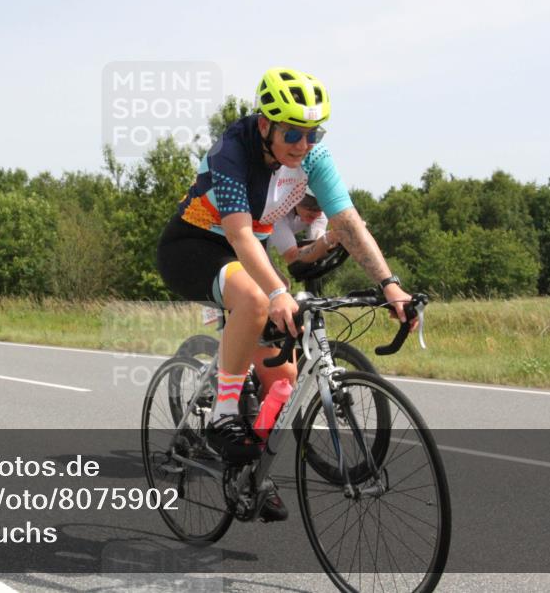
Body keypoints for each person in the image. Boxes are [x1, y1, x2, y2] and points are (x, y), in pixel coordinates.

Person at [156, 67, 418, 521]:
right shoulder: (232, 151)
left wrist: (389, 284)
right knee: (257, 300)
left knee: (283, 379)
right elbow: (239, 236)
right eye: (293, 133)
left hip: (248, 253)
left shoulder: (314, 158)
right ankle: (222, 415)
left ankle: (248, 474)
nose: (303, 144)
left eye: (313, 134)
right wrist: (277, 291)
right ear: (265, 125)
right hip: (195, 246)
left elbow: (348, 222)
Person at [267, 192, 340, 268]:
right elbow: (293, 258)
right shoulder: (277, 215)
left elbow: (317, 245)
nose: (318, 214)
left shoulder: (319, 215)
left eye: (322, 206)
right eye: (312, 205)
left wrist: (333, 241)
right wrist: (329, 237)